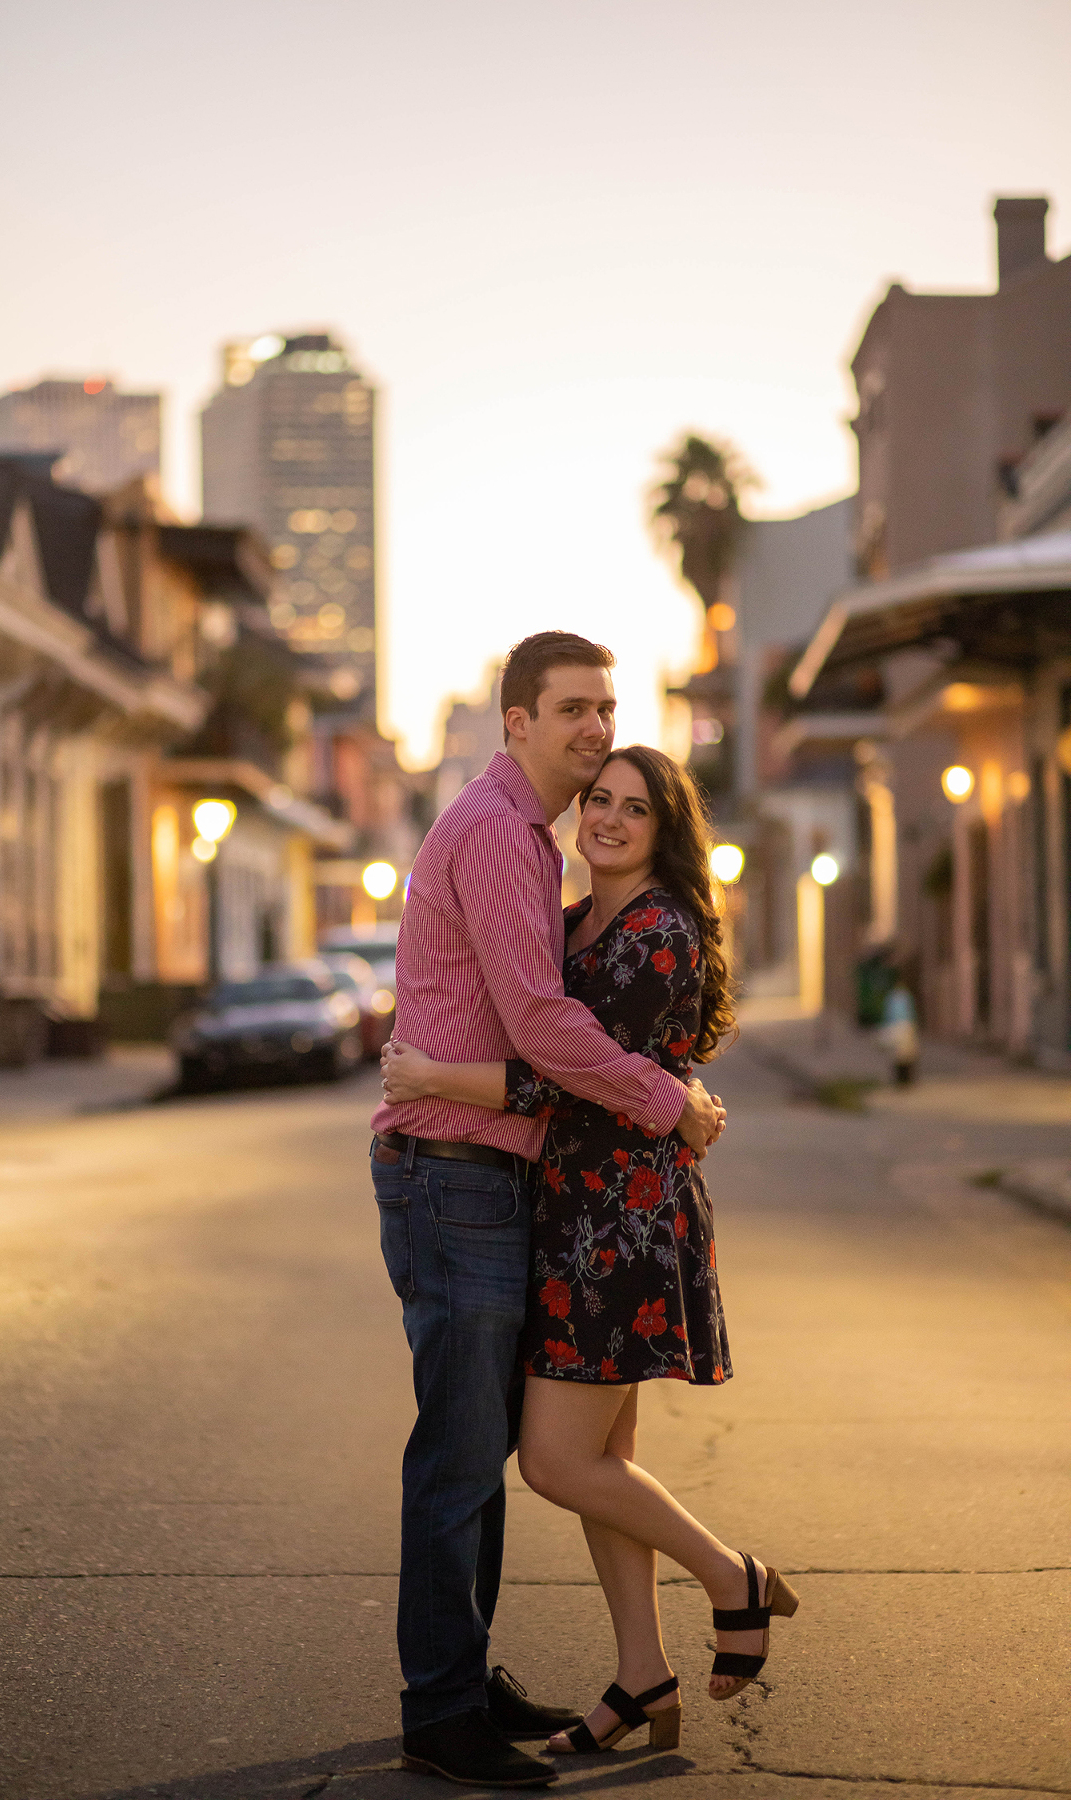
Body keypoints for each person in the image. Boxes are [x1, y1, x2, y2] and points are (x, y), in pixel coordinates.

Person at [382, 744, 799, 1759]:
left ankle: (730, 1577)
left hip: (624, 1222)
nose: (607, 819)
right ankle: (642, 1677)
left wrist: (434, 1073)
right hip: (573, 1210)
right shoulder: (582, 921)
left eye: (634, 808)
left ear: (668, 831)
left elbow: (567, 1079)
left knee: (559, 1461)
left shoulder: (658, 933)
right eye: (599, 800)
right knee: (609, 1459)